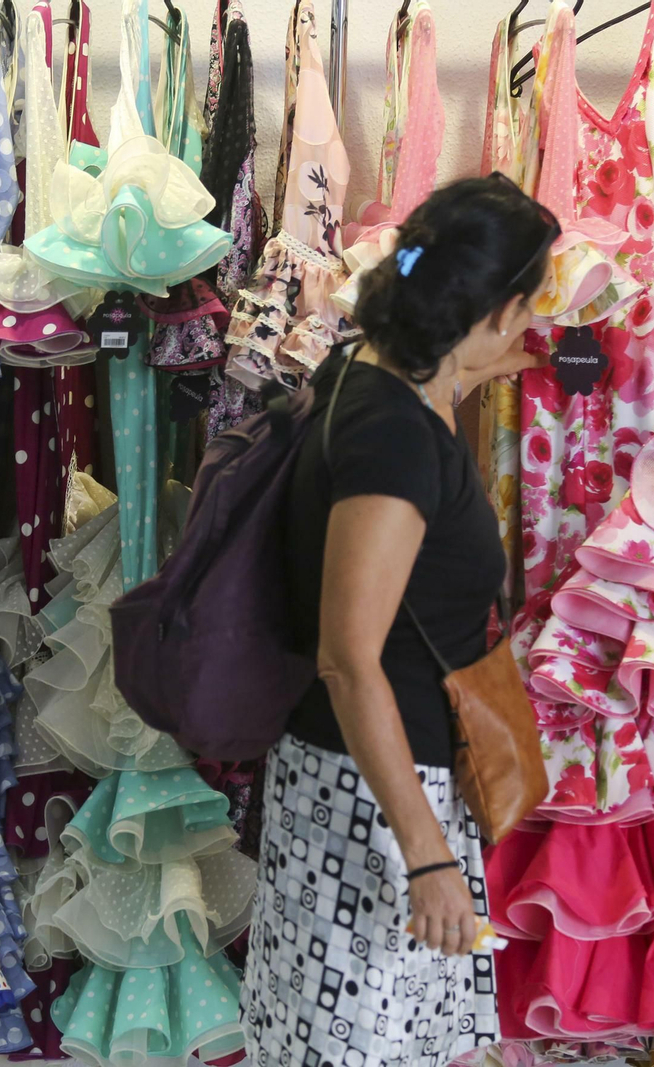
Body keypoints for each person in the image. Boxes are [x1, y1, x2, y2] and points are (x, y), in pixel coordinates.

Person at [240, 176, 559, 1067]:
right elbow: (349, 658)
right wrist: (424, 856)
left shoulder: (370, 369)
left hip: (355, 781)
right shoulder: (394, 442)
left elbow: (430, 425)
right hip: (373, 804)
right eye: (529, 308)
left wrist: (502, 362)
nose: (532, 324)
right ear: (495, 308)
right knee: (358, 1047)